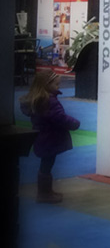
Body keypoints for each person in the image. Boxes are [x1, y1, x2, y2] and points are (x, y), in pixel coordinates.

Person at [20, 70, 80, 204]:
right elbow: (59, 117)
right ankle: (44, 193)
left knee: (47, 164)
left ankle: (46, 191)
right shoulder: (49, 101)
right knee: (47, 164)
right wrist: (74, 123)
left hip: (43, 137)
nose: (58, 87)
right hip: (50, 138)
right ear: (47, 85)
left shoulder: (39, 100)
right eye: (56, 84)